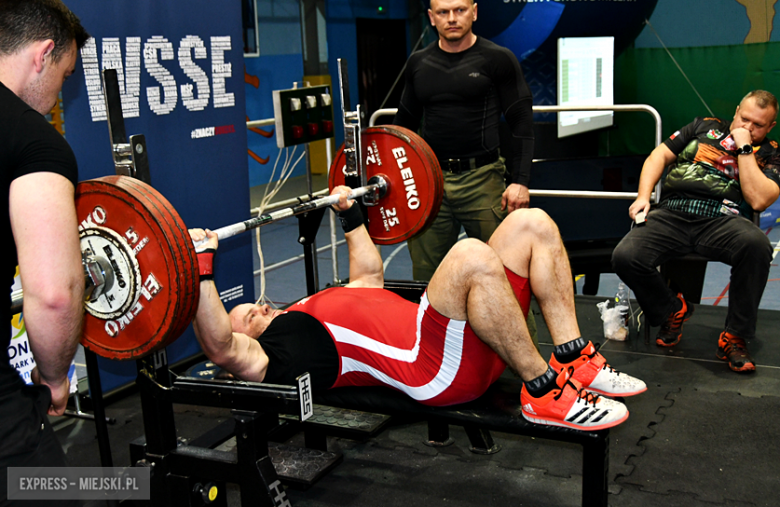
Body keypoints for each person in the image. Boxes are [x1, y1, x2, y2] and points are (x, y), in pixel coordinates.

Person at [190, 187, 647, 432]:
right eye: (249, 314)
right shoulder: (276, 354)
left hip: (475, 338)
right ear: (250, 337)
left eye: (258, 304)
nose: (262, 308)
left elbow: (368, 277)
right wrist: (202, 267)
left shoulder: (307, 305)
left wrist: (350, 215)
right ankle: (543, 391)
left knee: (532, 223)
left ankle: (573, 357)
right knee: (470, 255)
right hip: (432, 368)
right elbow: (221, 347)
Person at [612, 90, 780, 373]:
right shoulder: (704, 126)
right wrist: (644, 195)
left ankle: (734, 337)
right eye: (744, 119)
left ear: (771, 126)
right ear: (737, 109)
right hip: (671, 213)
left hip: (721, 219)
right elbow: (658, 156)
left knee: (757, 245)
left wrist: (745, 147)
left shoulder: (771, 153)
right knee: (625, 256)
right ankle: (671, 310)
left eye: (758, 125)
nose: (748, 127)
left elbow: (759, 200)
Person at [1, 0, 90, 501]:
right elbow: (55, 293)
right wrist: (54, 378)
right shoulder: (35, 141)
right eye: (64, 74)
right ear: (42, 55)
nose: (59, 91)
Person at [392, 0, 534, 282]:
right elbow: (402, 127)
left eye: (460, 10)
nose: (452, 18)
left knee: (504, 273)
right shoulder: (418, 63)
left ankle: (519, 331)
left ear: (474, 12)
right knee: (427, 278)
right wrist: (396, 182)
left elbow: (521, 122)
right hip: (430, 184)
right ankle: (432, 330)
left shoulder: (498, 59)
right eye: (443, 12)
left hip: (482, 180)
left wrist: (520, 181)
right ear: (432, 18)